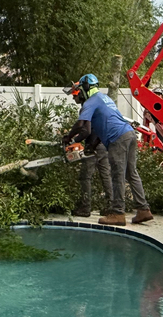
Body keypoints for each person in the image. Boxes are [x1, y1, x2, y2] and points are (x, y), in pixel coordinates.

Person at [62, 73, 153, 226]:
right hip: (129, 134)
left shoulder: (90, 102)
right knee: (131, 173)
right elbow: (104, 124)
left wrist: (68, 137)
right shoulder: (105, 98)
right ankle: (143, 209)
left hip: (118, 138)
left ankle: (118, 213)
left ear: (84, 88)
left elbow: (80, 125)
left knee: (117, 174)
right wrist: (92, 145)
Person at [65, 82, 115, 217]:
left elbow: (85, 130)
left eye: (75, 95)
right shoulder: (96, 103)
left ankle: (85, 208)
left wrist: (72, 140)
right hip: (103, 143)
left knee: (85, 177)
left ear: (81, 94)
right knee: (106, 175)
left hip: (94, 146)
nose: (73, 98)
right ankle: (112, 206)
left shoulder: (87, 107)